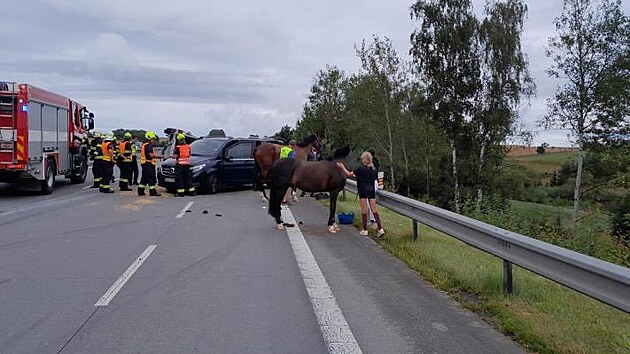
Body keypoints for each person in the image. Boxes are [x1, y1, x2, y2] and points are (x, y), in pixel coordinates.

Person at [337, 151, 385, 237]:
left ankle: (365, 229)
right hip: (371, 190)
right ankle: (380, 229)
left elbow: (349, 174)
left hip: (363, 189)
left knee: (364, 210)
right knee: (374, 210)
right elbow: (374, 179)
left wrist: (342, 167)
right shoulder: (374, 170)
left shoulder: (360, 169)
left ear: (364, 159)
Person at [138, 131, 161, 197]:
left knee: (144, 178)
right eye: (152, 139)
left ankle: (140, 190)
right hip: (148, 164)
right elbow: (151, 155)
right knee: (151, 178)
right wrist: (160, 157)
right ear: (149, 139)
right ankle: (152, 191)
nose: (153, 140)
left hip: (145, 163)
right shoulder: (149, 146)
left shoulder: (144, 145)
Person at [280, 139, 297, 203]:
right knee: (290, 185)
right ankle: (285, 199)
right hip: (287, 169)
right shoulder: (291, 151)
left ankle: (281, 197)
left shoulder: (283, 148)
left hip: (281, 167)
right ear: (293, 145)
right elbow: (291, 161)